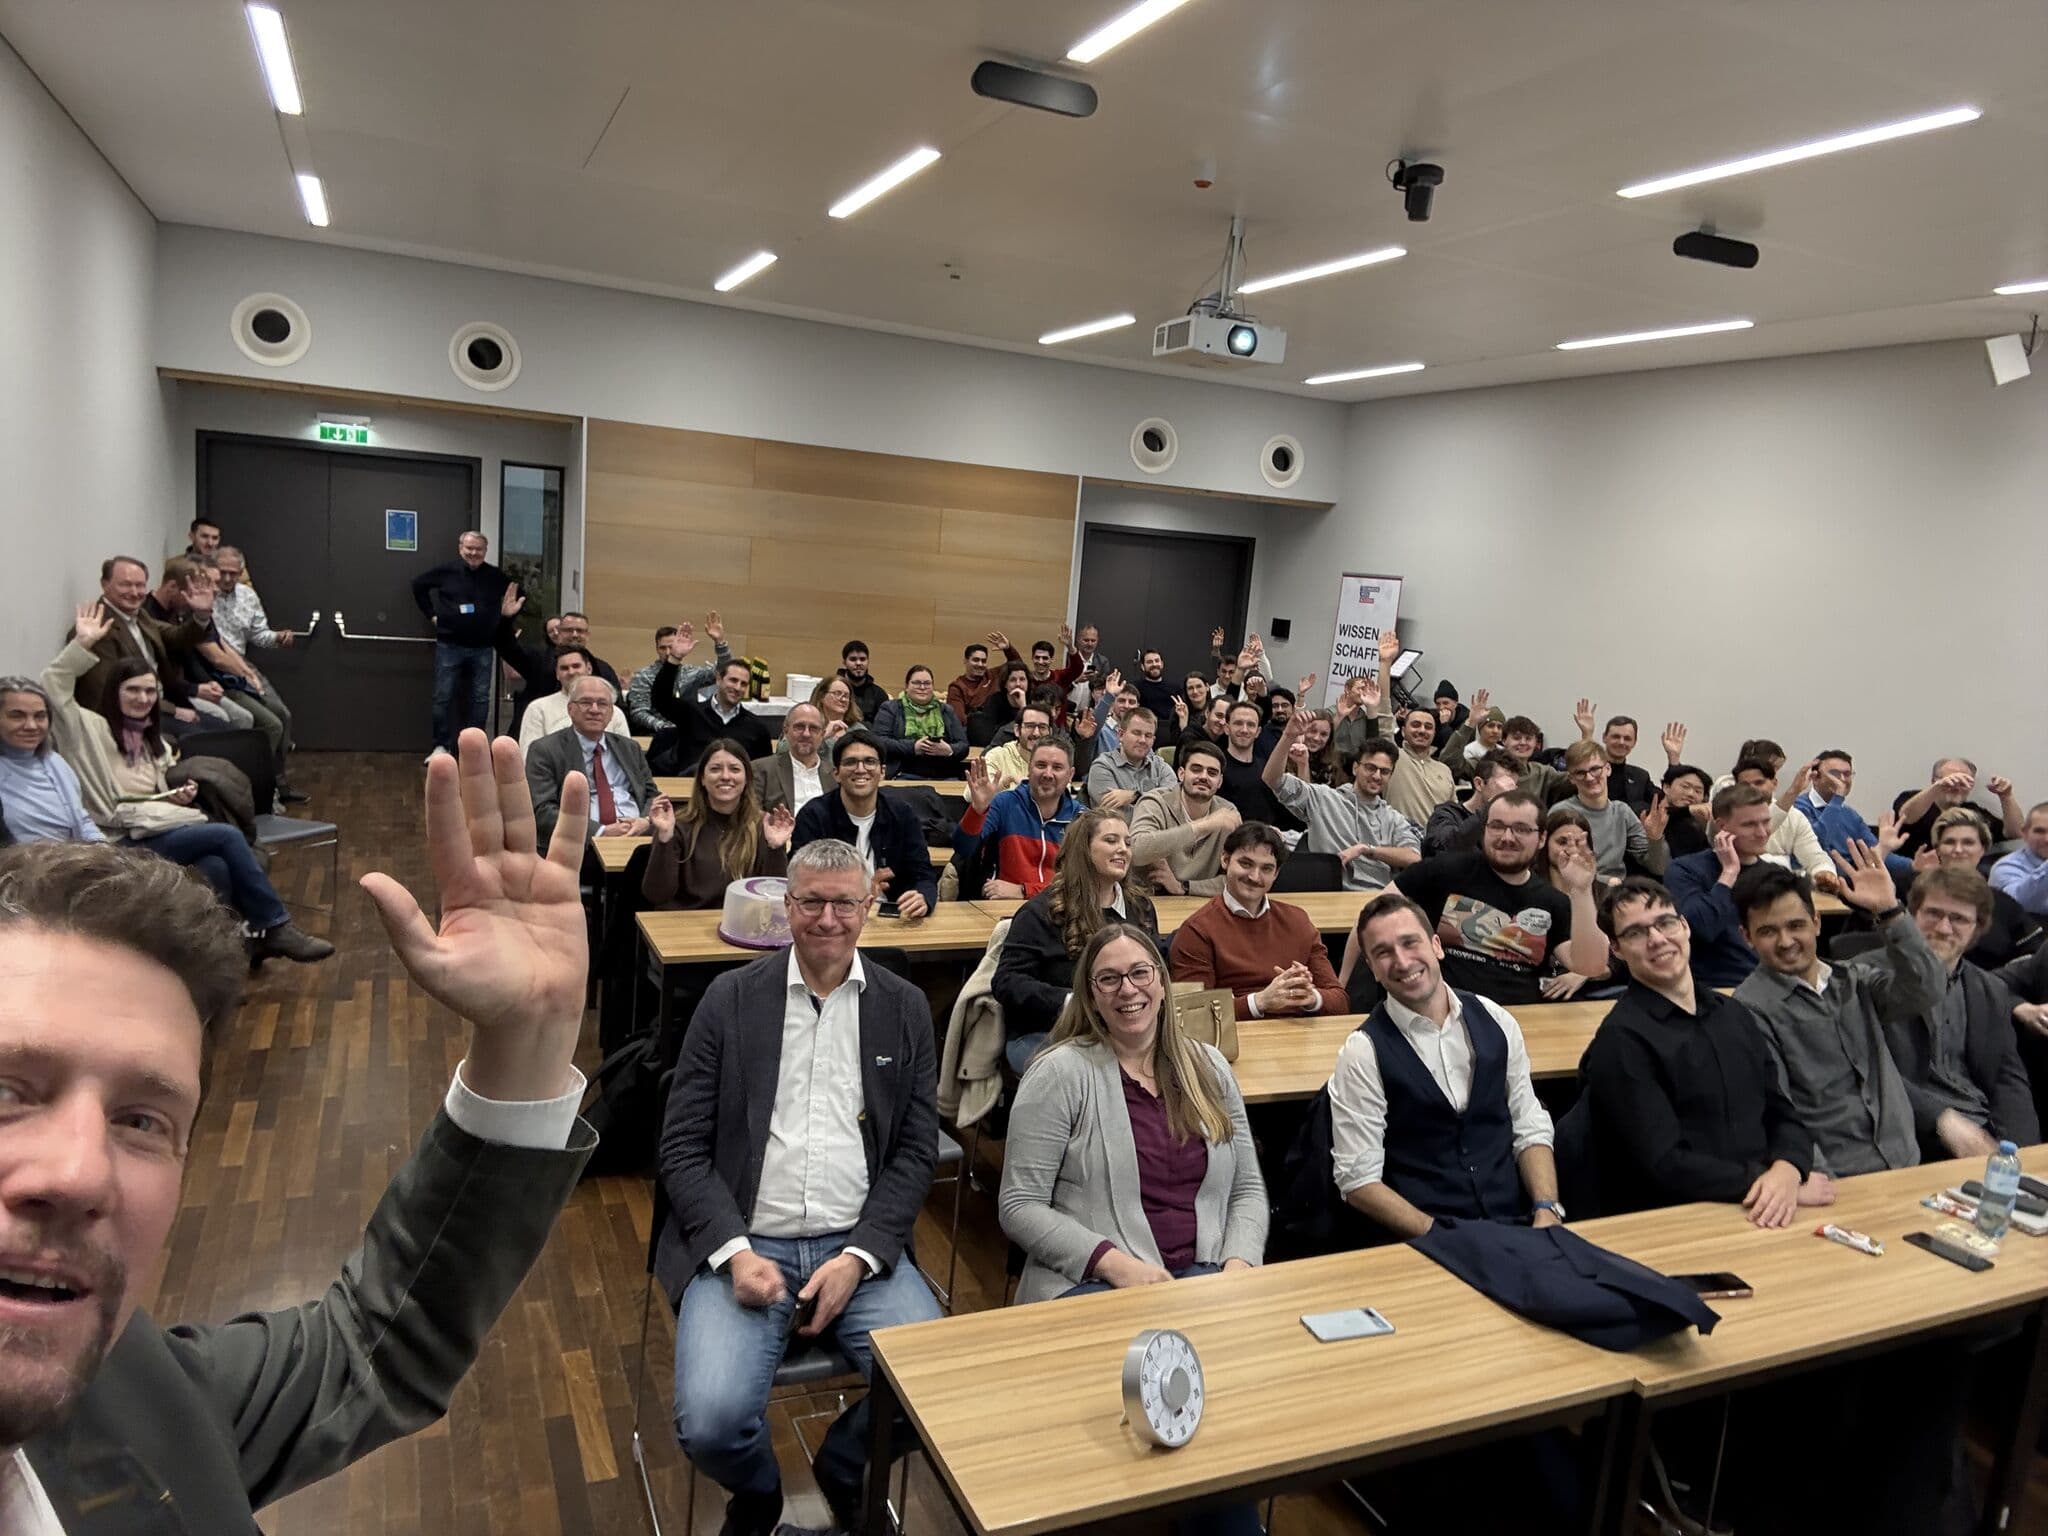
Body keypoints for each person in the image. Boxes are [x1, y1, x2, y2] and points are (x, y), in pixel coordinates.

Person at [0, 734, 594, 1528]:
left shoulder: (131, 1385)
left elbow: (369, 1348)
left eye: (141, 1120)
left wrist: (530, 1039)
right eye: (8, 1093)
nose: (77, 1173)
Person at [657, 838, 942, 1536]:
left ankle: (844, 1467)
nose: (827, 919)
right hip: (748, 1246)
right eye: (811, 901)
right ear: (786, 907)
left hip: (860, 1250)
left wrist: (861, 1257)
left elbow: (913, 1151)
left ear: (867, 907)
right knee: (715, 1425)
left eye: (844, 902)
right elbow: (681, 1147)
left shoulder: (902, 1008)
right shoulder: (729, 1001)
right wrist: (732, 1252)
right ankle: (759, 1498)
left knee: (938, 1390)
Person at [1001, 923, 1266, 1317]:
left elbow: (1246, 1188)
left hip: (1206, 1278)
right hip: (1096, 1284)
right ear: (1091, 995)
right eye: (1109, 979)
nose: (1128, 989)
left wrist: (1239, 1263)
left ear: (1162, 982)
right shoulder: (1058, 1074)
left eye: (1140, 973)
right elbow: (1019, 1205)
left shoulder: (1209, 1066)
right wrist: (1115, 1266)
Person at [42, 611, 333, 963]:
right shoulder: (89, 730)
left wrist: (178, 796)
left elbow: (154, 798)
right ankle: (274, 925)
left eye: (149, 691)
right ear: (113, 693)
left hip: (154, 827)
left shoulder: (155, 744)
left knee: (217, 868)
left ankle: (223, 956)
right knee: (225, 836)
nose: (142, 698)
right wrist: (83, 643)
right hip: (118, 839)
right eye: (132, 690)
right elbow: (54, 687)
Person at [1576, 878, 1822, 1222]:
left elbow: (1783, 1113)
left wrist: (1789, 1169)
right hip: (1683, 1220)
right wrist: (1768, 1183)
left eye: (1665, 922)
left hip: (1765, 1204)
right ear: (1616, 949)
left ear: (1685, 926)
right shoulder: (1620, 1042)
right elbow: (1665, 1164)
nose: (1657, 940)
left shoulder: (1735, 1014)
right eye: (1635, 933)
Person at [1330, 894, 1561, 1238]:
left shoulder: (1497, 1019)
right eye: (1383, 953)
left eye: (1411, 943)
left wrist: (1547, 1210)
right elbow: (1358, 1181)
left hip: (1517, 1223)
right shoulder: (1362, 1052)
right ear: (1372, 968)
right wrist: (1441, 1236)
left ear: (1437, 945)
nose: (1403, 961)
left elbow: (1528, 1124)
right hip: (1429, 1237)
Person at [1730, 852, 1934, 1175]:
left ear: (1816, 922)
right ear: (1747, 938)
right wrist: (1818, 1179)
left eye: (1796, 925)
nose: (1786, 942)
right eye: (1768, 931)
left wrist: (1891, 913)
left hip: (1904, 1160)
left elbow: (1927, 989)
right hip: (1835, 1177)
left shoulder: (1854, 978)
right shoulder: (1749, 1008)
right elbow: (1777, 1109)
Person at [1356, 790, 1608, 1007]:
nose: (1507, 837)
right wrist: (1345, 988)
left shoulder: (1552, 901)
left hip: (1518, 1022)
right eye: (1497, 826)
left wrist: (1582, 890)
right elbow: (1371, 918)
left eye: (1521, 829)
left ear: (1541, 838)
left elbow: (1591, 966)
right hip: (1445, 1015)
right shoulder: (1444, 871)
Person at [1872, 865, 2039, 1164]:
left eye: (1959, 919)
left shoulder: (1990, 989)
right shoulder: (1866, 978)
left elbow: (2007, 1077)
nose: (1944, 928)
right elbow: (1868, 1070)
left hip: (1982, 1133)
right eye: (1933, 914)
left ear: (1978, 929)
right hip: (1906, 1133)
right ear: (1912, 916)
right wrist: (1940, 1118)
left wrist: (2021, 1155)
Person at [993, 811, 1161, 1072]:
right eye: (1111, 840)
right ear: (1084, 849)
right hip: (1049, 1032)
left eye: (1127, 843)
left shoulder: (1140, 908)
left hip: (1124, 1027)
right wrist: (1074, 1002)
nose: (1123, 850)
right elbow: (1007, 983)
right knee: (1104, 1072)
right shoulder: (1040, 912)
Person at [1171, 822, 1348, 1019]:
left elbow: (1340, 1000)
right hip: (1237, 1042)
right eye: (1246, 864)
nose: (1255, 877)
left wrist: (1310, 997)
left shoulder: (1298, 920)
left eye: (1266, 868)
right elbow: (1195, 1015)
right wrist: (1260, 1002)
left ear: (1276, 874)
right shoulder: (1197, 930)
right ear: (1225, 860)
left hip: (1297, 1037)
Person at [791, 729, 936, 919]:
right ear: (836, 773)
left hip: (892, 917)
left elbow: (924, 873)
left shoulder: (902, 814)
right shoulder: (813, 816)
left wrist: (923, 897)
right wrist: (858, 891)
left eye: (869, 761)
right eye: (851, 762)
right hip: (831, 917)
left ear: (882, 771)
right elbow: (803, 882)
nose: (860, 769)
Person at [1260, 718, 1416, 891]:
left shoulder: (1393, 817)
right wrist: (1288, 736)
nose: (1377, 776)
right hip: (1328, 892)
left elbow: (1414, 857)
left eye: (1384, 771)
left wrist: (1366, 849)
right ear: (1356, 768)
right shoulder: (1324, 798)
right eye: (1371, 768)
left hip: (1376, 897)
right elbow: (1272, 779)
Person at [642, 740, 793, 909]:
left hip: (743, 925)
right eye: (715, 769)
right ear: (702, 779)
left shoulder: (763, 825)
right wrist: (664, 839)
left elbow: (775, 898)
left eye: (735, 769)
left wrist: (775, 848)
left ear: (747, 779)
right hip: (686, 926)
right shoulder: (678, 825)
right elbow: (657, 894)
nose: (726, 776)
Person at [75, 556, 215, 735]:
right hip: (131, 717)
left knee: (226, 729)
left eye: (140, 585)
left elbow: (176, 636)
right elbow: (110, 693)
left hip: (160, 700)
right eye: (125, 585)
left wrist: (201, 615)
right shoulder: (97, 628)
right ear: (104, 584)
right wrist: (173, 710)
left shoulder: (139, 615)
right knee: (207, 737)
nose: (135, 592)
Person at [1663, 784, 1784, 989]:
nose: (1763, 833)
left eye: (1766, 822)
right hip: (1714, 988)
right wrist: (1729, 874)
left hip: (1772, 986)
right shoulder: (1684, 870)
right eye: (1750, 825)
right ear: (1722, 827)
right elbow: (1702, 928)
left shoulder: (1776, 875)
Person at [208, 545, 302, 797]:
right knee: (268, 724)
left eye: (233, 573)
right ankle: (256, 786)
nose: (227, 579)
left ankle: (278, 782)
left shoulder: (247, 596)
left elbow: (258, 633)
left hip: (243, 664)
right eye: (222, 572)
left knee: (283, 715)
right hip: (216, 670)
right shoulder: (205, 594)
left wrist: (278, 638)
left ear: (241, 572)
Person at [525, 676, 657, 850]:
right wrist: (600, 831)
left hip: (635, 839)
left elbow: (652, 794)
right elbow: (542, 811)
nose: (595, 710)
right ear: (571, 709)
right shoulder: (545, 750)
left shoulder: (629, 747)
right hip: (580, 845)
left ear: (611, 712)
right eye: (586, 702)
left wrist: (645, 821)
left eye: (602, 704)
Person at [411, 531, 512, 756]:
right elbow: (417, 585)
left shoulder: (495, 576)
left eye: (479, 549)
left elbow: (517, 597)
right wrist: (432, 615)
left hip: (483, 646)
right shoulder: (446, 571)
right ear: (460, 548)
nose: (474, 553)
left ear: (485, 551)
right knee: (443, 696)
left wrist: (504, 620)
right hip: (449, 645)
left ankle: (473, 747)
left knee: (480, 698)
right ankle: (441, 745)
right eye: (469, 548)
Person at [957, 739, 1083, 900]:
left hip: (1061, 910)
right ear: (1029, 769)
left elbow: (1084, 884)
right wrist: (977, 810)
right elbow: (963, 849)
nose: (1048, 774)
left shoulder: (1080, 817)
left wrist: (1025, 891)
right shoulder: (1004, 803)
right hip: (1005, 909)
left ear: (1070, 775)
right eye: (1041, 765)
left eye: (1057, 767)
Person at [1915, 806, 2040, 967]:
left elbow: (2034, 954)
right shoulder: (1913, 891)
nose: (1958, 850)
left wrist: (1996, 984)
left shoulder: (2003, 903)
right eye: (1949, 842)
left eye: (1968, 842)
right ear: (1938, 849)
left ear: (1982, 849)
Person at [1129, 738, 1239, 897]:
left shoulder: (1227, 812)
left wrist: (1185, 887)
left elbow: (1236, 880)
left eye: (1212, 773)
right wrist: (1203, 826)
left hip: (1200, 905)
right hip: (1151, 903)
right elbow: (1136, 851)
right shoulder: (1155, 802)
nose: (1204, 776)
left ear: (1220, 781)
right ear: (1181, 774)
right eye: (1196, 769)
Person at [0, 676, 101, 845]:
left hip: (71, 858)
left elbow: (82, 822)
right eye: (17, 716)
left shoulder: (55, 762)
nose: (31, 726)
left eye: (40, 716)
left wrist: (108, 852)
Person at [1554, 739, 1668, 879]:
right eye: (1580, 773)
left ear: (1608, 769)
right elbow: (1556, 868)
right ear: (1571, 778)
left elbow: (1658, 868)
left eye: (1595, 769)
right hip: (1577, 889)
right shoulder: (1561, 813)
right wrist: (1605, 881)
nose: (1589, 778)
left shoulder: (1622, 812)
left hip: (1618, 893)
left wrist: (1655, 839)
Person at [655, 656, 773, 774]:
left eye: (743, 684)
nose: (738, 687)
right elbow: (661, 699)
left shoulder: (757, 728)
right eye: (733, 680)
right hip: (690, 785)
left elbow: (763, 771)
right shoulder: (690, 713)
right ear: (718, 679)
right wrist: (674, 659)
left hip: (734, 789)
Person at [1892, 756, 2022, 858]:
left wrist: (2007, 797)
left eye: (1963, 782)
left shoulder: (1972, 811)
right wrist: (1938, 787)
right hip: (1915, 872)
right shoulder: (1913, 798)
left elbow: (2015, 832)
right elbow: (1906, 817)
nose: (1955, 786)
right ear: (1933, 781)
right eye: (1951, 779)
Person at [1729, 756, 1833, 881]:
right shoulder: (1728, 814)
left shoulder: (1795, 817)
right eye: (1745, 785)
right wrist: (1793, 791)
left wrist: (1825, 874)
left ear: (1774, 783)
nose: (1752, 789)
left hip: (1785, 890)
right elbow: (1761, 831)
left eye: (1759, 783)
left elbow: (1816, 859)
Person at [626, 620, 732, 734]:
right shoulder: (644, 676)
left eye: (671, 647)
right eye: (662, 648)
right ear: (657, 649)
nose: (667, 653)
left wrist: (720, 642)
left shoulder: (691, 672)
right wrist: (665, 727)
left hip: (690, 733)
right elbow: (638, 712)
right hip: (656, 734)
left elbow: (723, 672)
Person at [517, 648, 630, 750]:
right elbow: (529, 756)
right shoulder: (538, 708)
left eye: (576, 666)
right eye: (564, 668)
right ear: (557, 674)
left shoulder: (614, 712)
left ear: (589, 669)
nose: (571, 672)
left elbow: (627, 756)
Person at [1218, 699, 1302, 835]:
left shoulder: (1267, 769)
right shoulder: (1216, 767)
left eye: (1250, 725)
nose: (1244, 730)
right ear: (1227, 728)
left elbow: (1288, 810)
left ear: (1258, 732)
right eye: (1238, 723)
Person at [1420, 749, 1521, 859]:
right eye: (1502, 786)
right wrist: (1493, 804)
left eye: (1511, 788)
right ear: (1479, 784)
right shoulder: (1446, 814)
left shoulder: (1510, 824)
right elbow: (1447, 847)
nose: (1508, 795)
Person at [871, 664, 969, 778]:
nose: (922, 687)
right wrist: (913, 747)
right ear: (907, 686)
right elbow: (879, 741)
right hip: (904, 773)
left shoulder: (946, 710)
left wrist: (949, 750)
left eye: (927, 683)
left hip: (943, 774)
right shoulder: (890, 708)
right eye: (916, 683)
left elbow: (963, 745)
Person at [1788, 748, 1879, 861]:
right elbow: (1815, 844)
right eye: (1835, 773)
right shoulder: (1798, 807)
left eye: (1847, 774)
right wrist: (1837, 799)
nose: (1842, 779)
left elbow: (1875, 852)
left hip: (1852, 875)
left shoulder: (1850, 814)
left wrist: (1906, 863)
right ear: (1815, 778)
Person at [1086, 706, 1173, 819]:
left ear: (1153, 740)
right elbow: (1120, 818)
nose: (1142, 740)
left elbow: (1174, 804)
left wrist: (1134, 796)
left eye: (1148, 735)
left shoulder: (1161, 767)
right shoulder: (1102, 767)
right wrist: (1158, 805)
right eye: (1137, 733)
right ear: (1121, 735)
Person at [751, 701, 836, 817]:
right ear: (786, 731)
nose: (806, 734)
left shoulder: (835, 774)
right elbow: (751, 816)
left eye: (813, 728)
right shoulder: (761, 769)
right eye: (799, 727)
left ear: (822, 734)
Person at [1597, 715, 1688, 813]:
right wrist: (1587, 735)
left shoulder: (1640, 777)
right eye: (1616, 737)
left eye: (1627, 738)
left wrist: (1673, 757)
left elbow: (1668, 801)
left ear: (1634, 742)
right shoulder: (1590, 772)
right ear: (1604, 738)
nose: (1621, 742)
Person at [1989, 801, 2048, 919]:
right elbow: (2018, 903)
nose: (2047, 839)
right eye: (2039, 831)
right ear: (2025, 833)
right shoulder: (2005, 867)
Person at [981, 700, 1053, 792]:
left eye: (1042, 727)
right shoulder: (997, 756)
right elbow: (971, 795)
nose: (1036, 733)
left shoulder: (1056, 760)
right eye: (1030, 726)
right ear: (1017, 730)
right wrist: (1005, 782)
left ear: (1050, 732)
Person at [946, 635, 1016, 721]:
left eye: (983, 661)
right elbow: (959, 720)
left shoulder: (993, 675)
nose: (980, 664)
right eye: (976, 660)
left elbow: (1017, 666)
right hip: (975, 729)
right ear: (965, 661)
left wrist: (1008, 649)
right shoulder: (957, 688)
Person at [969, 660, 1032, 750]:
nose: (1018, 684)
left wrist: (1023, 707)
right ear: (1005, 684)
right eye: (1013, 680)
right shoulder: (995, 700)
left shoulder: (1033, 700)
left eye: (1022, 679)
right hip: (1000, 748)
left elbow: (1032, 732)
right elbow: (988, 737)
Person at [834, 639, 889, 723]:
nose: (858, 663)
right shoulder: (829, 689)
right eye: (853, 659)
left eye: (863, 659)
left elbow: (882, 728)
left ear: (868, 662)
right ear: (844, 662)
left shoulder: (879, 695)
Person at [1178, 692, 1231, 761]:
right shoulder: (1189, 737)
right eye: (1219, 715)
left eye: (1227, 718)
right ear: (1207, 713)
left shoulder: (1227, 739)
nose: (1222, 722)